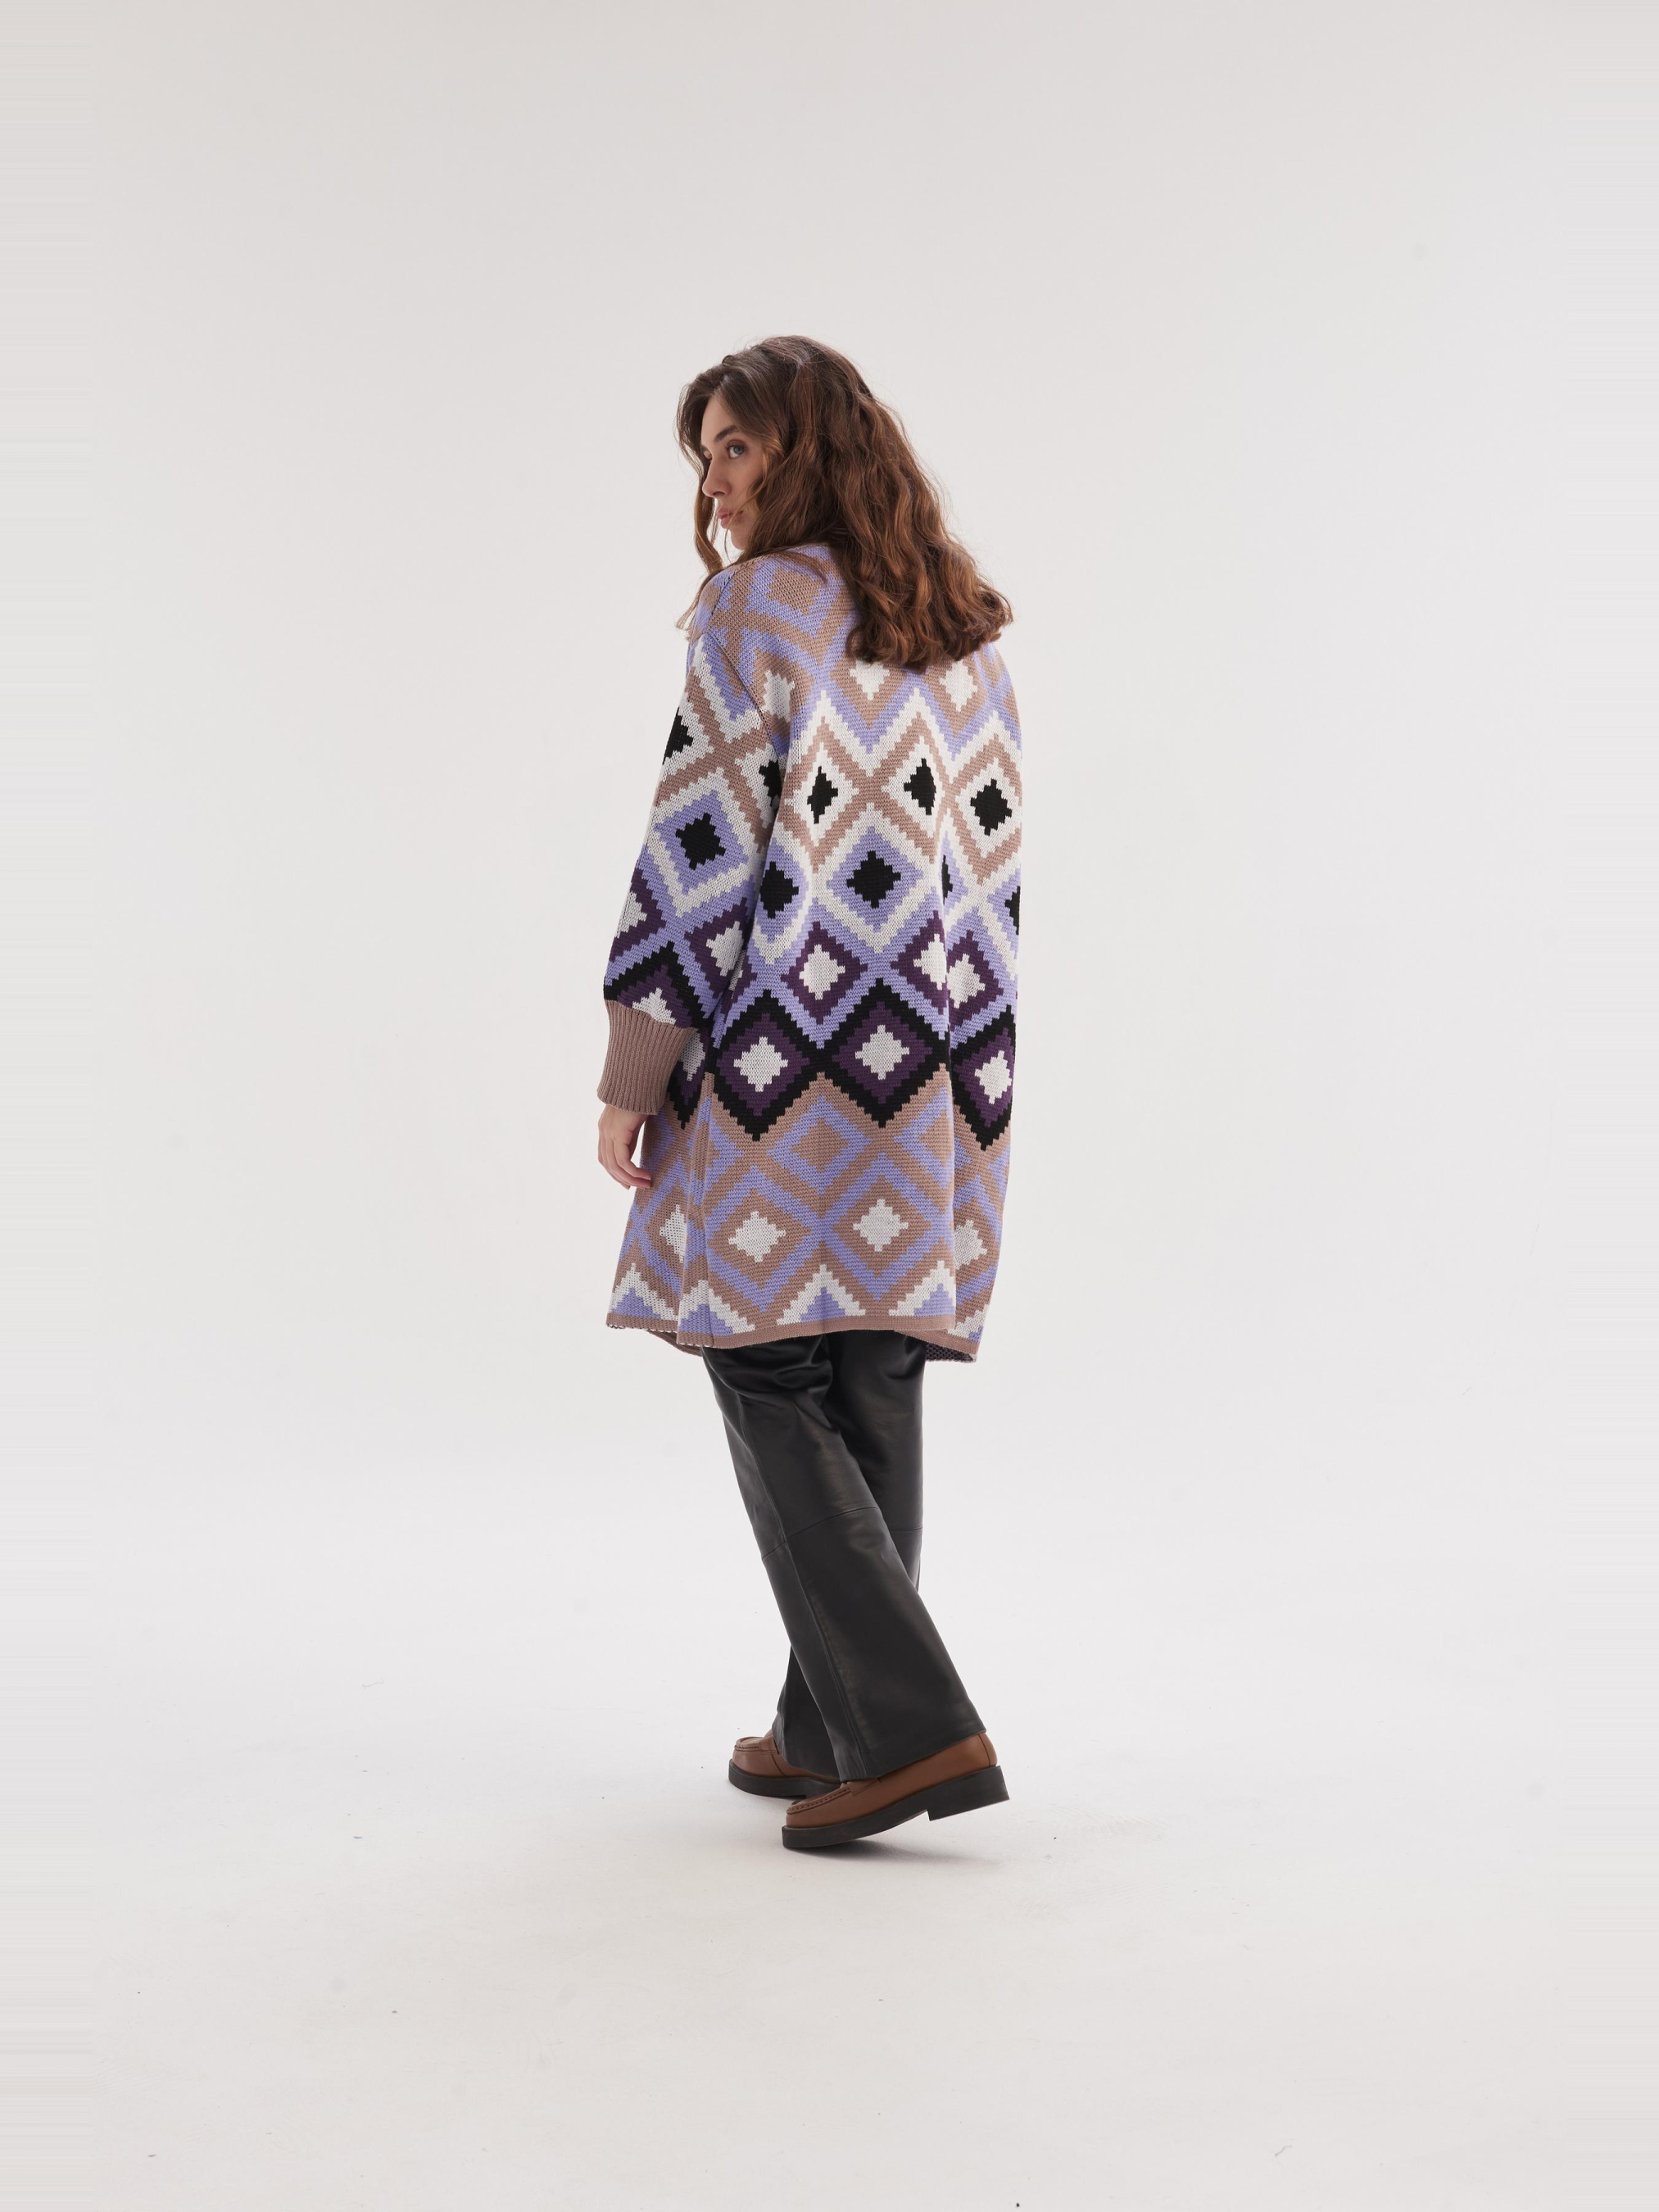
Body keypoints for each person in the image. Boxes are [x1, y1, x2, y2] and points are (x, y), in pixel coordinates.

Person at [594, 337, 1022, 1851]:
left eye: (733, 446)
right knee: (868, 1371)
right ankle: (825, 1726)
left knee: (763, 1362)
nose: (712, 482)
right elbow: (989, 871)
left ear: (805, 449)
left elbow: (698, 844)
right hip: (933, 1057)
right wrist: (973, 1076)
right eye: (703, 453)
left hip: (784, 1058)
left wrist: (636, 1065)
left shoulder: (755, 608)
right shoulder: (959, 625)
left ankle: (907, 1732)